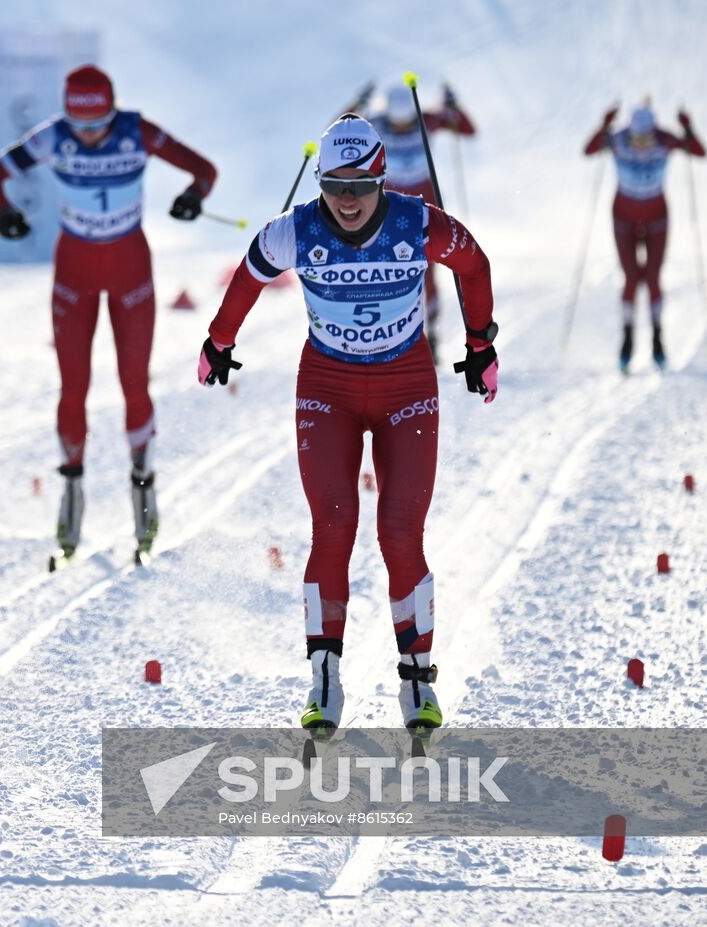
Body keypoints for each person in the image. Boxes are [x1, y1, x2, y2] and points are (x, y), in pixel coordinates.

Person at [197, 114, 498, 735]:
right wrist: (218, 341)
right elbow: (248, 278)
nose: (349, 200)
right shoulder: (295, 229)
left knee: (398, 531)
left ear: (382, 179)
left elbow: (475, 265)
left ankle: (417, 681)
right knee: (333, 524)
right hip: (328, 389)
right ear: (320, 182)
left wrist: (480, 343)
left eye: (362, 186)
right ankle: (324, 679)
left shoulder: (417, 221)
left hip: (406, 388)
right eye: (335, 185)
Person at [0, 64, 218, 562]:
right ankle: (71, 494)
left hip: (130, 266)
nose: (87, 137)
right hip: (75, 269)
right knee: (73, 386)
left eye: (97, 125)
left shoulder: (138, 131)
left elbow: (205, 169)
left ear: (112, 112)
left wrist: (194, 196)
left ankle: (144, 495)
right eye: (79, 126)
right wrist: (3, 212)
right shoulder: (53, 136)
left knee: (134, 382)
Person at [344, 82, 476, 358]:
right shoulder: (376, 122)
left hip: (424, 203)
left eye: (407, 124)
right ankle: (384, 336)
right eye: (397, 125)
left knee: (426, 268)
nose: (402, 129)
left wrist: (453, 106)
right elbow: (340, 130)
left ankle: (433, 335)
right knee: (386, 269)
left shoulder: (427, 119)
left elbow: (466, 129)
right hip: (388, 207)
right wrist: (357, 104)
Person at [583, 103, 705, 371]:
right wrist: (604, 124)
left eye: (646, 138)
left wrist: (687, 127)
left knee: (652, 278)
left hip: (656, 219)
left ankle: (658, 341)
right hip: (623, 218)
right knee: (630, 278)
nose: (641, 145)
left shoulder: (665, 140)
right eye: (636, 139)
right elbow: (589, 150)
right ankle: (627, 342)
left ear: (653, 131)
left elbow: (699, 152)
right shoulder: (618, 140)